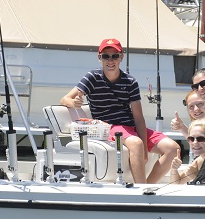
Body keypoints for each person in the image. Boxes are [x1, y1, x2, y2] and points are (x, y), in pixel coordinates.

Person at [61, 38, 179, 184]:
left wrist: (144, 146)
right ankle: (140, 193)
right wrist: (74, 102)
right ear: (100, 58)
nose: (110, 60)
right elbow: (65, 99)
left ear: (121, 57)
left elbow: (138, 117)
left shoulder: (130, 82)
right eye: (106, 56)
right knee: (136, 144)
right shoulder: (91, 78)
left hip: (131, 127)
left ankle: (147, 187)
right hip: (108, 127)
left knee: (173, 149)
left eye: (115, 56)